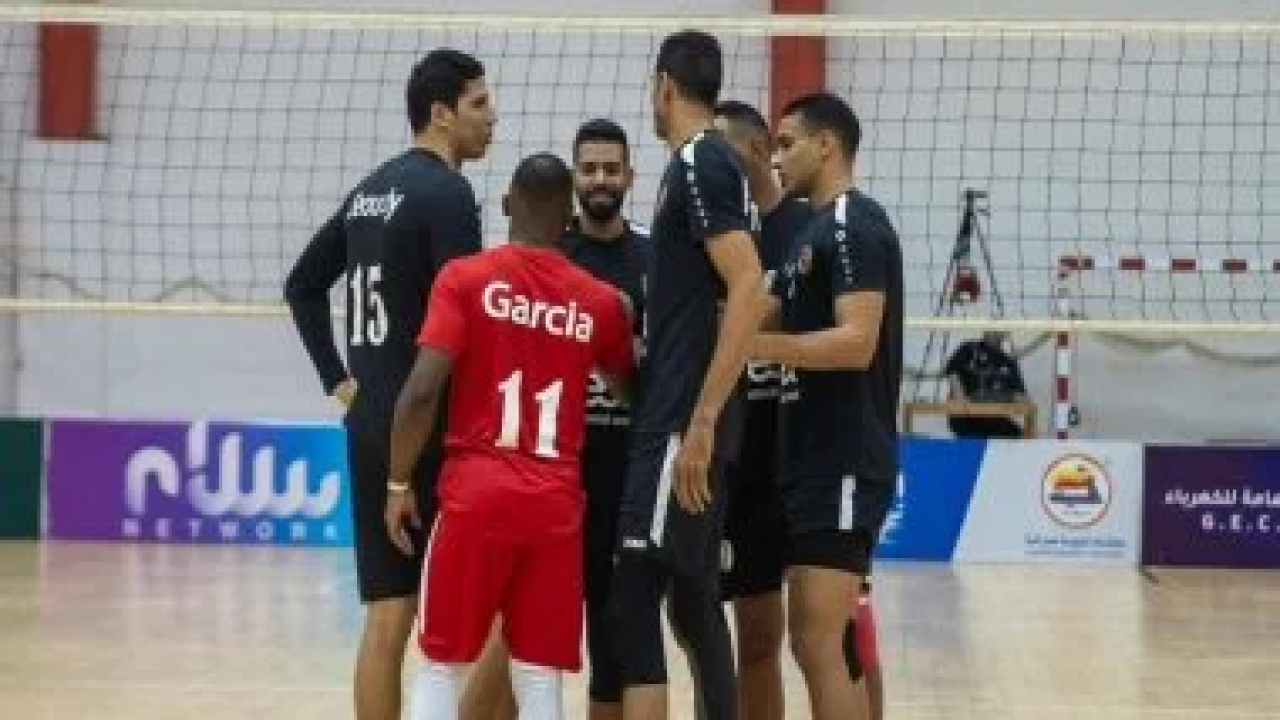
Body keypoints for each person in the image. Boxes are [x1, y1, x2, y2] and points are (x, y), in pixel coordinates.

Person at [384, 153, 636, 720]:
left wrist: (398, 482)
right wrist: (622, 320)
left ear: (505, 206)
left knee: (441, 663)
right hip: (554, 507)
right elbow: (630, 392)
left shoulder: (464, 279)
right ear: (569, 218)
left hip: (476, 497)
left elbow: (421, 392)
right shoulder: (597, 300)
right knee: (540, 674)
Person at [282, 48, 494, 720]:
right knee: (473, 620)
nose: (492, 117)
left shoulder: (370, 190)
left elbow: (301, 285)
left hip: (370, 422)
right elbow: (465, 322)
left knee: (386, 617)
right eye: (479, 103)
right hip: (428, 427)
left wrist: (341, 385)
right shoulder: (448, 194)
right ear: (441, 113)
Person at [459, 118, 649, 720]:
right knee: (513, 635)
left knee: (614, 639)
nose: (600, 179)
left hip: (623, 477)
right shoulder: (545, 258)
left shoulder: (654, 257)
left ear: (630, 176)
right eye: (588, 169)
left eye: (611, 168)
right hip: (545, 472)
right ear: (572, 182)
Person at [609, 30, 764, 720]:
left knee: (635, 592)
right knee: (694, 602)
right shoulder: (696, 166)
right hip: (677, 412)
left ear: (665, 86)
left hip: (680, 421)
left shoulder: (703, 161)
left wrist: (701, 420)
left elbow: (749, 285)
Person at [753, 92, 903, 720]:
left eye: (787, 144)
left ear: (826, 146)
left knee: (818, 640)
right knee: (829, 641)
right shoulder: (810, 232)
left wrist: (760, 348)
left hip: (842, 458)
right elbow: (759, 313)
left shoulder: (850, 225)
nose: (777, 158)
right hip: (812, 460)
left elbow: (857, 342)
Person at [710, 99, 808, 720]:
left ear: (753, 149)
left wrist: (753, 322)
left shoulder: (807, 229)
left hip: (784, 459)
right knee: (706, 634)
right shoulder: (710, 227)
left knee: (771, 634)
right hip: (720, 454)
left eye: (718, 148)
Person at [945, 330, 1029, 438]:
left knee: (1020, 437)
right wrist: (959, 395)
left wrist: (1019, 399)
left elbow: (1021, 395)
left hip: (993, 418)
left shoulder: (1008, 362)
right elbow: (952, 371)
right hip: (966, 418)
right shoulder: (970, 348)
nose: (995, 332)